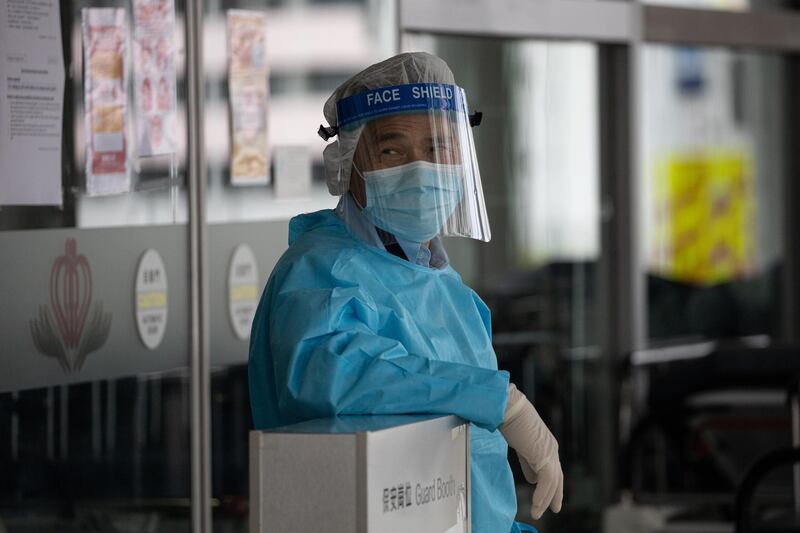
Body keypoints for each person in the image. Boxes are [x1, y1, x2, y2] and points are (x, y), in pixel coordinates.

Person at [248, 52, 563, 532]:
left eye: (439, 147)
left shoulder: (449, 290)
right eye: (393, 151)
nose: (423, 168)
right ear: (348, 164)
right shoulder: (320, 273)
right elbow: (339, 378)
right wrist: (501, 401)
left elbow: (476, 472)